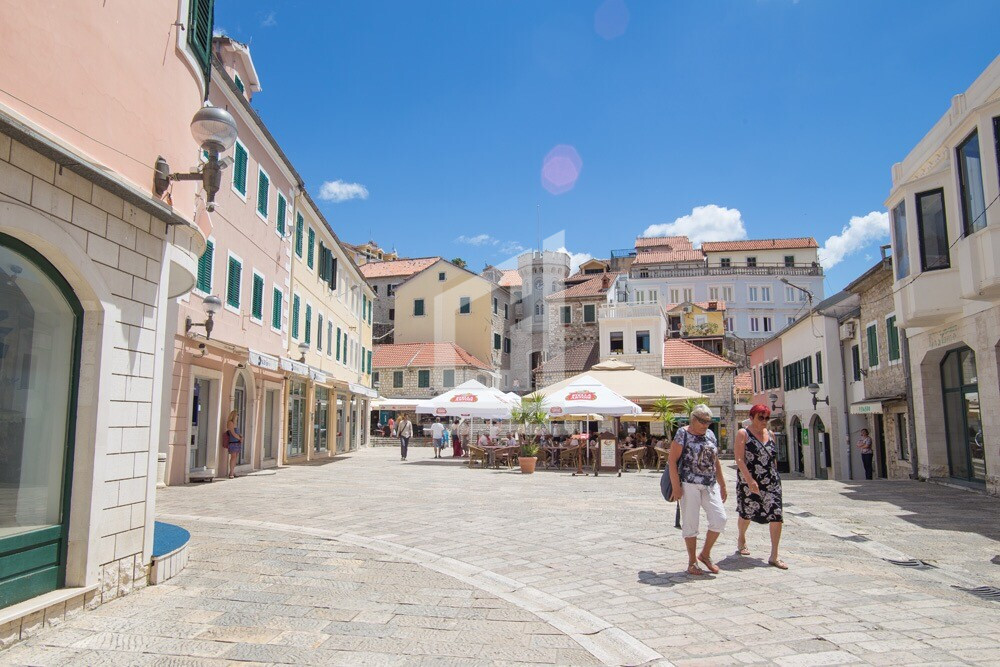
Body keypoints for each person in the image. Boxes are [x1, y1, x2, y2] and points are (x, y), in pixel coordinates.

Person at [668, 404, 727, 576]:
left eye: (708, 422)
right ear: (693, 419)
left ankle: (705, 554)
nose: (705, 425)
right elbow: (672, 461)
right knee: (690, 522)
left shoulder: (710, 435)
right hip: (689, 483)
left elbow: (715, 460)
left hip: (710, 483)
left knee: (720, 519)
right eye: (702, 421)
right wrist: (676, 487)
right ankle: (692, 561)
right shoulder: (683, 433)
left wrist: (723, 484)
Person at [735, 405, 787, 569]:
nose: (764, 421)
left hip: (771, 481)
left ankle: (774, 555)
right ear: (751, 418)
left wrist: (775, 475)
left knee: (776, 514)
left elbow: (772, 458)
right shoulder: (743, 434)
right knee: (747, 514)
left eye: (766, 418)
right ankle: (741, 538)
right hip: (749, 481)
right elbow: (739, 459)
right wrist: (749, 480)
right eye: (761, 417)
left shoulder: (771, 434)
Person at [224, 410, 242, 479]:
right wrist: (239, 438)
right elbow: (233, 433)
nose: (238, 416)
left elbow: (236, 433)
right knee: (233, 457)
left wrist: (240, 437)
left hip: (237, 442)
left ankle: (232, 471)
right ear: (234, 415)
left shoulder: (235, 423)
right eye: (237, 415)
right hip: (233, 442)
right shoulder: (230, 423)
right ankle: (231, 472)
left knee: (235, 457)